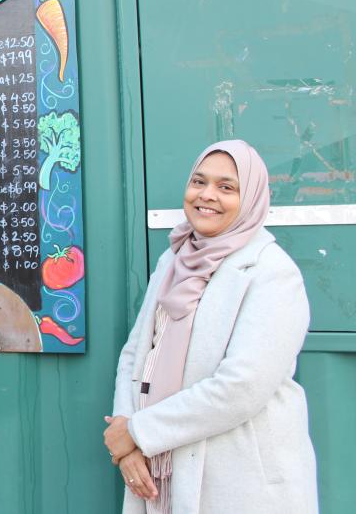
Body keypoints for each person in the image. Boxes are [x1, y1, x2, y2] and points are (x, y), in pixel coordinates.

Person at [104, 140, 317, 513]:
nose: (206, 195)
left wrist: (138, 434)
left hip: (239, 480)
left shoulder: (272, 274)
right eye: (198, 182)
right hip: (158, 471)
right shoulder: (174, 259)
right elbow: (137, 354)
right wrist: (126, 439)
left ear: (250, 197)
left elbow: (241, 387)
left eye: (226, 187)